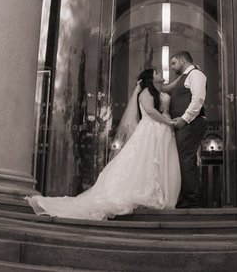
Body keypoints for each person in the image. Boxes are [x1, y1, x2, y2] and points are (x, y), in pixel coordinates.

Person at [28, 68, 180, 220]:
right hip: (151, 130)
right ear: (151, 79)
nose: (160, 73)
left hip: (162, 131)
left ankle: (159, 192)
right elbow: (151, 111)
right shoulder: (147, 92)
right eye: (157, 72)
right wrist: (168, 121)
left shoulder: (159, 90)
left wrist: (187, 73)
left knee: (157, 160)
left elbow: (171, 87)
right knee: (145, 160)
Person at [164, 50, 208, 208]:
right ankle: (186, 197)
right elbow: (166, 89)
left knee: (186, 159)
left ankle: (191, 200)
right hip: (185, 124)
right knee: (183, 160)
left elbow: (198, 99)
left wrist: (184, 119)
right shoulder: (183, 77)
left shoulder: (196, 75)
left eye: (174, 63)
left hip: (191, 123)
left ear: (182, 61)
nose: (172, 67)